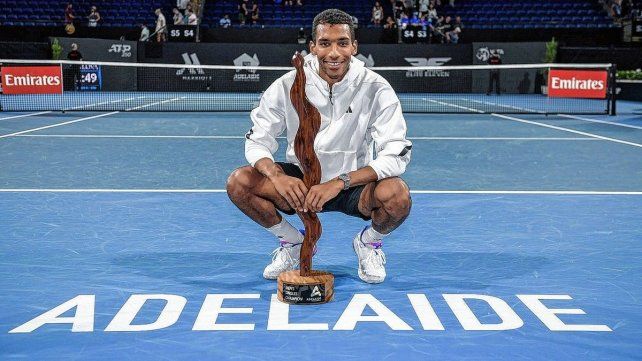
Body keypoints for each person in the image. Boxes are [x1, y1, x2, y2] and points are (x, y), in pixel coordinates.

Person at [226, 9, 412, 284]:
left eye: (342, 43)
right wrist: (278, 176)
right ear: (312, 46)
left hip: (352, 185)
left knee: (397, 195)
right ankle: (291, 242)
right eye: (325, 43)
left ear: (354, 47)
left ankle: (369, 243)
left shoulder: (376, 88)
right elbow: (257, 140)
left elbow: (396, 153)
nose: (334, 53)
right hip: (301, 182)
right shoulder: (287, 85)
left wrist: (340, 182)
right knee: (240, 182)